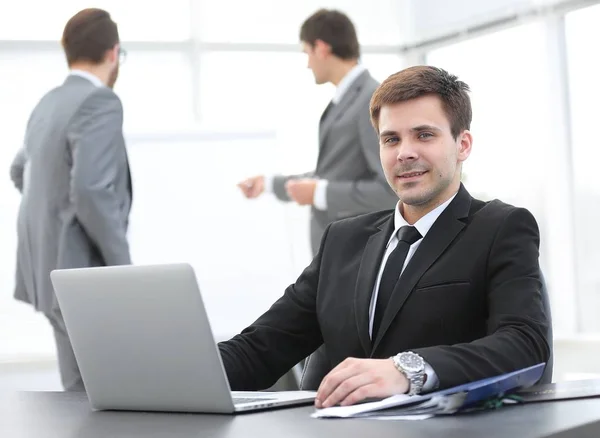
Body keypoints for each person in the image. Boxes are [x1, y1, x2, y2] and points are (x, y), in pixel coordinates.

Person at [219, 65, 550, 408]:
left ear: (462, 144)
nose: (404, 152)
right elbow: (263, 347)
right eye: (391, 139)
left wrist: (407, 371)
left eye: (424, 135)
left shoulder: (501, 227)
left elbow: (524, 344)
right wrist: (176, 371)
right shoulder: (342, 240)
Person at [9, 8, 132, 392]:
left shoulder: (49, 101)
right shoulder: (101, 102)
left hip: (44, 268)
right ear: (113, 53)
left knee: (79, 391)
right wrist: (124, 269)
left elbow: (19, 170)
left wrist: (52, 214)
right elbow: (91, 190)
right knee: (101, 394)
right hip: (80, 273)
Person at [238, 9, 397, 255]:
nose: (307, 64)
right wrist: (269, 184)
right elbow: (334, 172)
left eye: (307, 53)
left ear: (321, 48)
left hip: (357, 255)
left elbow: (389, 189)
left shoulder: (370, 100)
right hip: (339, 255)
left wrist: (320, 193)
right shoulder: (346, 100)